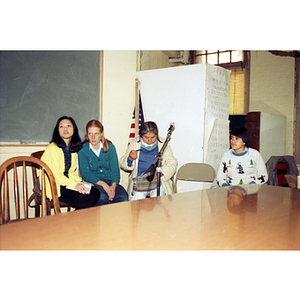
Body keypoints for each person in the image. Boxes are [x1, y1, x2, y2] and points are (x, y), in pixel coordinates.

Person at [41, 116, 100, 209]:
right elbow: (56, 176)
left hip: (66, 184)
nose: (65, 128)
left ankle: (80, 221)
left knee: (95, 193)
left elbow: (70, 173)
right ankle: (72, 222)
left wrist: (82, 182)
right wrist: (76, 185)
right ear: (57, 130)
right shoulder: (52, 149)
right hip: (55, 186)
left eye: (68, 126)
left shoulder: (71, 148)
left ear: (74, 129)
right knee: (85, 200)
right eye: (61, 126)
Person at [120, 121, 178, 200]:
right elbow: (123, 163)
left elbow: (172, 162)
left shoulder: (163, 144)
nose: (150, 140)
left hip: (158, 180)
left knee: (158, 197)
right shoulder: (135, 143)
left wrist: (161, 173)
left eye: (153, 137)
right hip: (140, 180)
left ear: (156, 135)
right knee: (138, 198)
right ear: (141, 136)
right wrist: (130, 158)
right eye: (146, 137)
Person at [78, 120, 128, 205]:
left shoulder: (110, 147)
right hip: (94, 182)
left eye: (96, 134)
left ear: (101, 134)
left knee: (123, 197)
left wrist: (113, 186)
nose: (93, 137)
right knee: (102, 197)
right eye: (90, 134)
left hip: (110, 181)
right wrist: (103, 185)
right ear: (87, 134)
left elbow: (115, 170)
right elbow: (86, 174)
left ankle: (113, 218)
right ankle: (99, 218)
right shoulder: (83, 150)